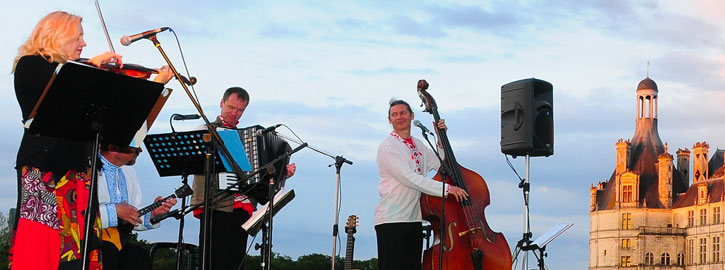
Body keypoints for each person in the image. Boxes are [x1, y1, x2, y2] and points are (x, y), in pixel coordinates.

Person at [11, 11, 172, 270]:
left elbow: (119, 126)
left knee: (79, 252)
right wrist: (93, 67)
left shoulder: (74, 70)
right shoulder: (31, 64)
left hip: (80, 173)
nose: (84, 43)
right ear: (56, 35)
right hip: (46, 172)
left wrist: (152, 88)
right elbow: (60, 92)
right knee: (45, 251)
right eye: (78, 36)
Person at [190, 87, 296, 269]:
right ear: (222, 103)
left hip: (243, 207)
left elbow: (259, 174)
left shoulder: (248, 137)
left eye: (240, 110)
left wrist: (281, 172)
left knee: (235, 262)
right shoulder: (205, 131)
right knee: (214, 261)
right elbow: (196, 164)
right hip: (216, 205)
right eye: (231, 107)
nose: (235, 113)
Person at [374, 99, 468, 270]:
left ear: (412, 116)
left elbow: (441, 163)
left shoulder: (418, 144)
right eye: (394, 115)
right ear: (389, 120)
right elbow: (410, 178)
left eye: (403, 113)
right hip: (392, 220)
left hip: (414, 218)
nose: (399, 117)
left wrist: (441, 138)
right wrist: (448, 189)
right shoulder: (388, 146)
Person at [97, 145, 177, 270]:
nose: (140, 150)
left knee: (139, 257)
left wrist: (153, 214)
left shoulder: (129, 173)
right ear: (113, 146)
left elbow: (134, 215)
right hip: (89, 241)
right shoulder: (85, 168)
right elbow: (75, 212)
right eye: (135, 146)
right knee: (109, 253)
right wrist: (115, 211)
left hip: (119, 242)